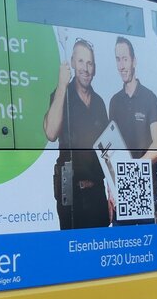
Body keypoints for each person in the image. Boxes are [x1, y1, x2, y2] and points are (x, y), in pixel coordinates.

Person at [44, 39, 110, 230]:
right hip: (72, 197)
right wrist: (62, 86)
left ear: (94, 68)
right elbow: (50, 133)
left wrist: (110, 193)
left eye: (89, 63)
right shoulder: (60, 95)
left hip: (97, 194)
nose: (85, 68)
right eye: (81, 62)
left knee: (99, 249)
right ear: (72, 62)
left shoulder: (99, 103)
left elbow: (107, 152)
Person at [108, 37, 157, 162]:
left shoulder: (150, 98)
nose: (121, 66)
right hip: (121, 178)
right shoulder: (114, 101)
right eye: (118, 60)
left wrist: (135, 167)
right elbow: (112, 144)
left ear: (134, 61)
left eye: (125, 59)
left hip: (147, 178)